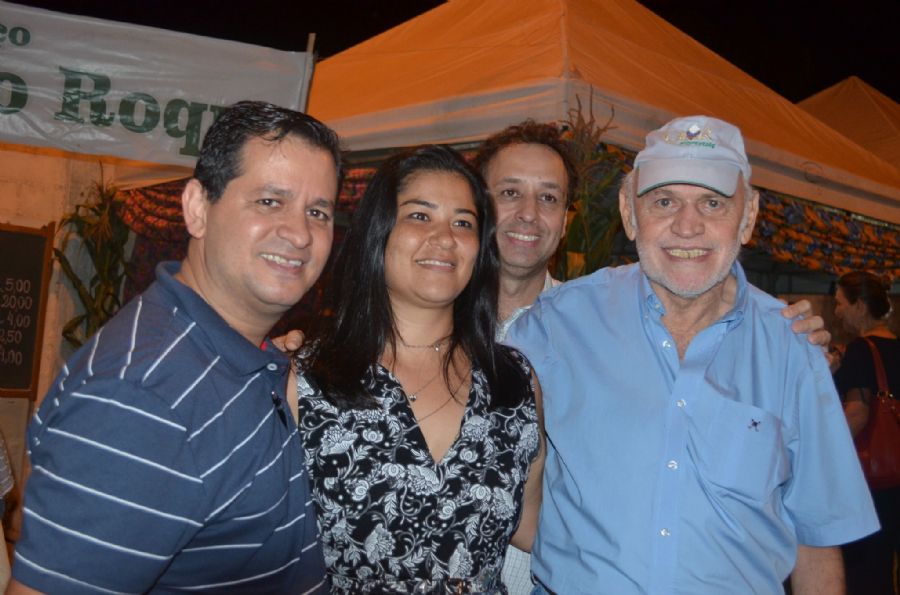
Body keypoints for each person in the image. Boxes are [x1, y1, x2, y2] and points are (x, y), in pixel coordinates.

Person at [506, 115, 879, 594]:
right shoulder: (556, 324)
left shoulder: (792, 348)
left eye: (712, 202)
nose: (687, 226)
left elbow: (816, 537)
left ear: (748, 217)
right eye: (664, 201)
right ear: (629, 212)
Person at [9, 101, 340, 594]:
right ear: (197, 208)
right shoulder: (141, 400)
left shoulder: (229, 353)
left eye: (318, 212)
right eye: (270, 201)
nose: (300, 234)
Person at [294, 145, 544, 593]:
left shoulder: (514, 381)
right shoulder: (307, 379)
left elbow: (534, 525)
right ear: (379, 233)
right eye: (420, 216)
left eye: (463, 223)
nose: (445, 238)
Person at [833, 270, 899, 595]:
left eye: (840, 303)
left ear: (859, 305)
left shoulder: (861, 350)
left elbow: (857, 414)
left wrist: (826, 451)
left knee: (869, 571)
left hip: (874, 480)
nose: (837, 312)